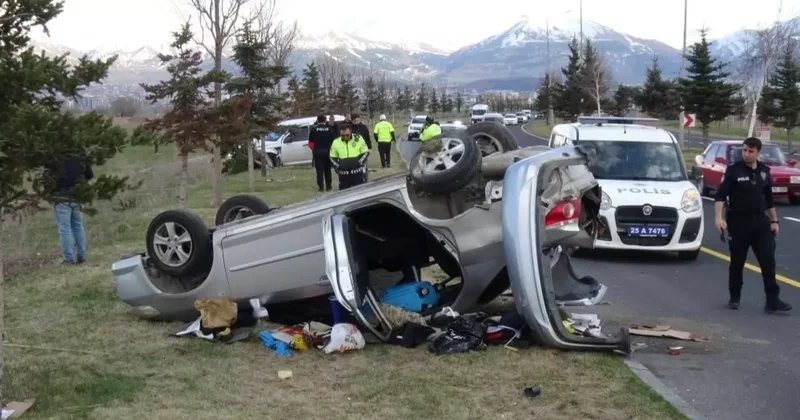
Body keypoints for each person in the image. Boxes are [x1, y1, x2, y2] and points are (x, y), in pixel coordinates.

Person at [714, 136, 791, 313]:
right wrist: (719, 218)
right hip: (738, 222)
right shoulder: (734, 171)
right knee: (737, 262)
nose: (746, 154)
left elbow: (769, 199)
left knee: (768, 261)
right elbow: (719, 196)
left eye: (751, 151)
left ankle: (772, 300)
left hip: (760, 223)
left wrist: (774, 221)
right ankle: (734, 297)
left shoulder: (764, 171)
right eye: (745, 150)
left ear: (758, 153)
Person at [46, 150, 94, 265]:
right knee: (78, 225)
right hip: (77, 194)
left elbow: (47, 178)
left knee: (64, 228)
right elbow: (89, 174)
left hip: (61, 196)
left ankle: (68, 258)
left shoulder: (53, 154)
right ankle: (82, 256)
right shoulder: (79, 153)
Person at [330, 124, 369, 190]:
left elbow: (365, 152)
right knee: (344, 194)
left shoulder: (358, 139)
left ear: (350, 132)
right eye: (342, 135)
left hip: (357, 172)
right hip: (344, 174)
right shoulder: (336, 142)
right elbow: (332, 157)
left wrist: (359, 162)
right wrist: (338, 166)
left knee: (360, 191)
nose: (345, 137)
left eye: (347, 135)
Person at [308, 115, 336, 192]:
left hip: (317, 152)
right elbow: (334, 142)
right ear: (325, 120)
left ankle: (321, 187)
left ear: (317, 121)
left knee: (319, 170)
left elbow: (310, 143)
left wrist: (314, 150)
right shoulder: (329, 129)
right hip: (327, 152)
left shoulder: (313, 130)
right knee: (328, 170)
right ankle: (329, 186)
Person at [350, 114, 373, 182]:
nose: (356, 122)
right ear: (352, 121)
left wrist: (369, 147)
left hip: (363, 150)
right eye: (355, 121)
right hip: (353, 151)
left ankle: (365, 180)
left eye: (357, 120)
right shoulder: (350, 128)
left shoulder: (363, 127)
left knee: (364, 166)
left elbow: (367, 137)